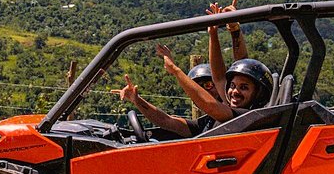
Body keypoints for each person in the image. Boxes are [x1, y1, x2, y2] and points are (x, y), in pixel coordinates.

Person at [112, 44, 272, 139]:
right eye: (233, 86)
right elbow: (167, 121)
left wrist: (175, 71)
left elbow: (210, 104)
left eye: (244, 88)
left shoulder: (248, 117)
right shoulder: (210, 121)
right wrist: (136, 100)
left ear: (258, 94)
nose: (234, 92)